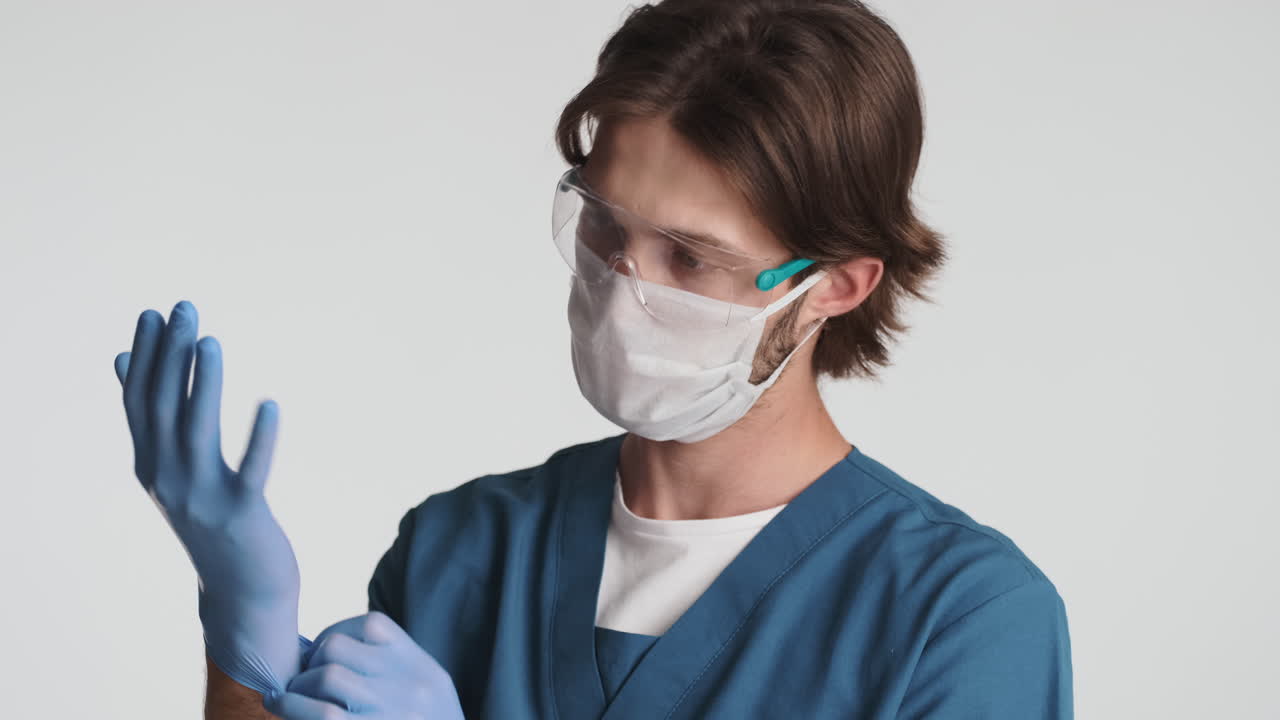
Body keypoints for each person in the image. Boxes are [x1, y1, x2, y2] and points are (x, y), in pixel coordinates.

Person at [114, 1, 1073, 717]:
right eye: (604, 224)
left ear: (833, 286)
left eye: (688, 258)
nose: (623, 282)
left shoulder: (962, 620)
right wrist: (248, 643)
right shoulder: (463, 551)